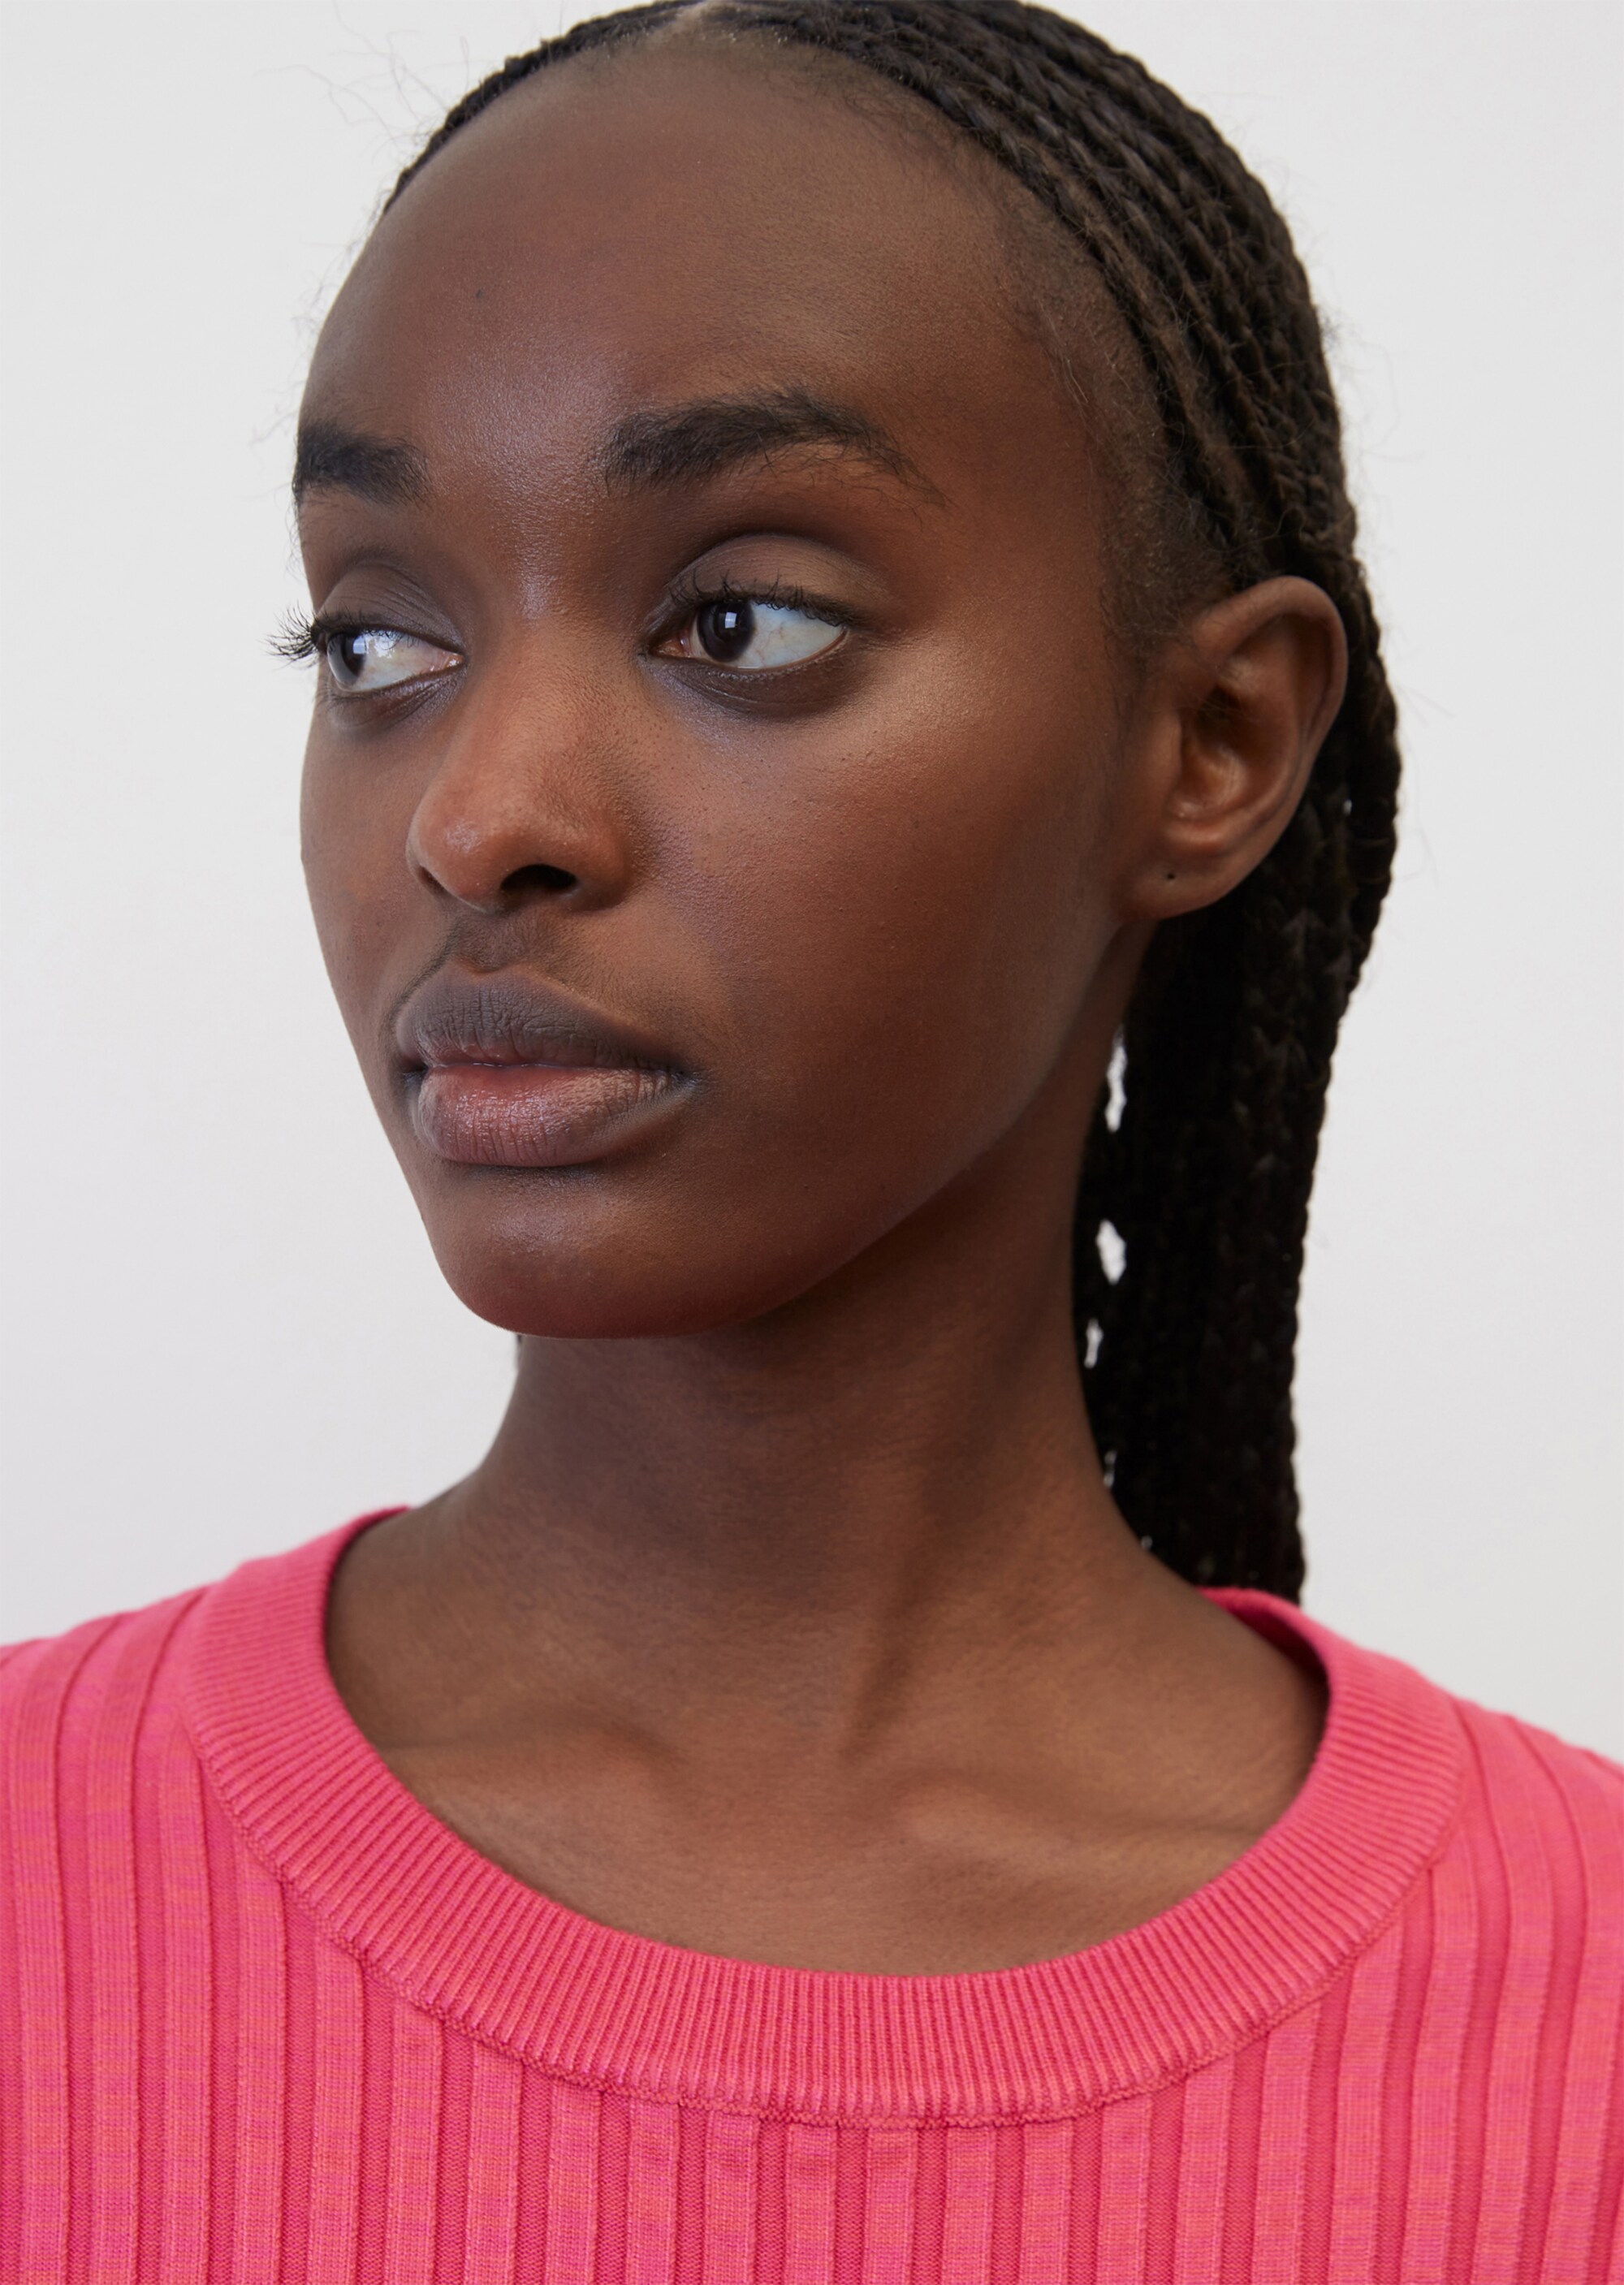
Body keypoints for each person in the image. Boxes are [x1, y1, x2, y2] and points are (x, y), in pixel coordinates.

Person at [2, 3, 1618, 2276]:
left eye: (739, 621)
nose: (477, 817)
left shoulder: (1580, 2026)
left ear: (1215, 744)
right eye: (376, 643)